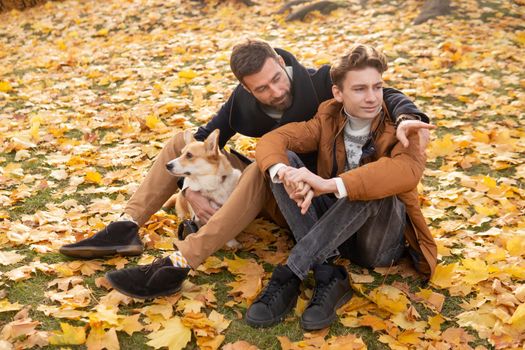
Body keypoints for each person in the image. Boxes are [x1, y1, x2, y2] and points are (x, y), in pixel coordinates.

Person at [59, 39, 434, 299]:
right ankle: (126, 226)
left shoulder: (322, 82)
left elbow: (385, 93)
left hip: (312, 198)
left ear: (283, 63)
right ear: (246, 89)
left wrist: (408, 115)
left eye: (276, 79)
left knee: (260, 167)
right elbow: (202, 141)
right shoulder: (241, 103)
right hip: (281, 181)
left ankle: (183, 258)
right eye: (262, 89)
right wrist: (189, 189)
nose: (274, 91)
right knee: (180, 141)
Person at [245, 43, 437, 330]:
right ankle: (329, 271)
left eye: (377, 87)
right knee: (287, 165)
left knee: (374, 183)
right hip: (333, 231)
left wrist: (330, 184)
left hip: (377, 244)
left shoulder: (402, 126)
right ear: (338, 93)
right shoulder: (328, 118)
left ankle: (293, 272)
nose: (372, 98)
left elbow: (406, 172)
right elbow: (273, 141)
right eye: (360, 89)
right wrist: (285, 172)